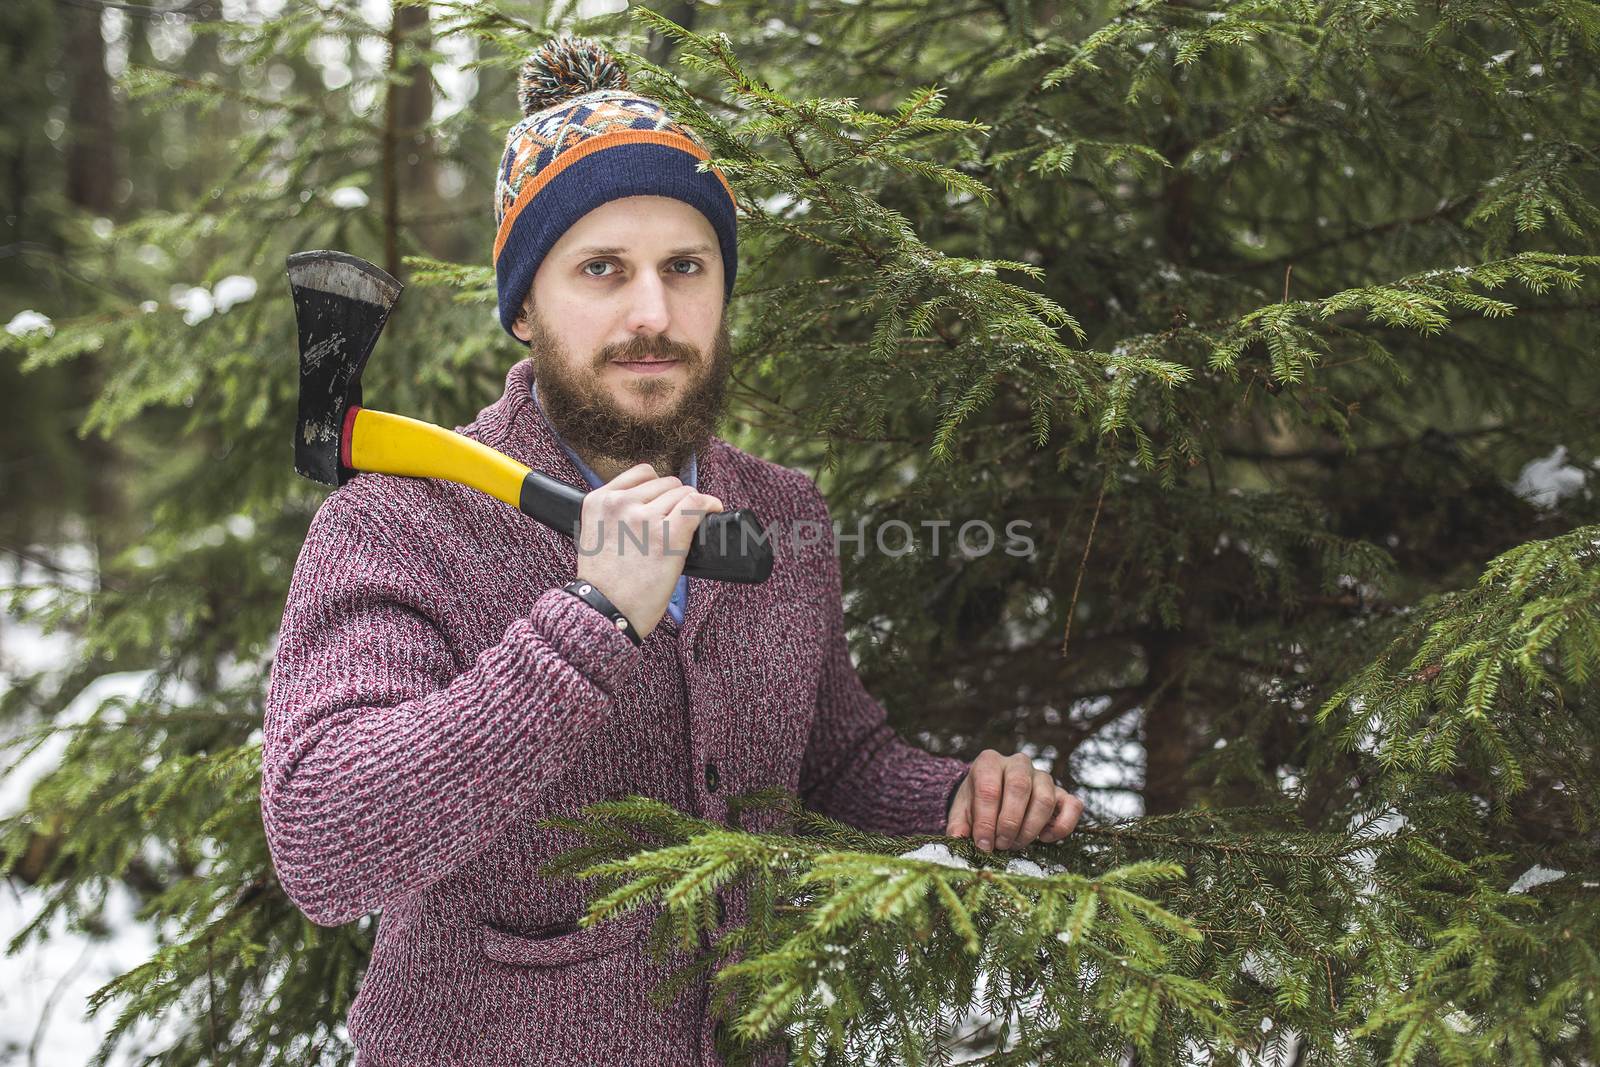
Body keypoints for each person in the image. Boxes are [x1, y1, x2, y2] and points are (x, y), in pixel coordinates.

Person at [260, 33, 1084, 1067]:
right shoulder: (401, 521)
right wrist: (590, 621)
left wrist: (952, 794)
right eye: (601, 269)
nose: (652, 313)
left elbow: (829, 757)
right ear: (523, 305)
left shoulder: (778, 513)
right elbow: (325, 843)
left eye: (684, 268)